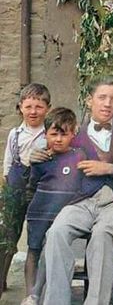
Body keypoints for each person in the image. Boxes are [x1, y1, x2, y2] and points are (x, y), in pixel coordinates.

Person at [39, 77, 113, 305]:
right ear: (90, 100)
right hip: (80, 202)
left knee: (102, 235)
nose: (107, 104)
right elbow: (51, 157)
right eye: (102, 97)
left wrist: (110, 168)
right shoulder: (73, 134)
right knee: (56, 232)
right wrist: (36, 156)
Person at [24, 108, 94, 299]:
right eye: (53, 134)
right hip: (40, 212)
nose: (58, 139)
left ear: (73, 134)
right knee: (34, 250)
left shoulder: (79, 156)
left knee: (50, 250)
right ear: (45, 134)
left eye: (64, 134)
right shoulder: (41, 159)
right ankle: (30, 295)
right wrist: (30, 212)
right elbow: (31, 188)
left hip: (64, 215)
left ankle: (38, 294)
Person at [1, 83, 50, 293]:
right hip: (16, 188)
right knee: (8, 235)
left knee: (38, 236)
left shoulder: (50, 133)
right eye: (28, 106)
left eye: (39, 107)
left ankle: (37, 286)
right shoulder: (15, 134)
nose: (33, 111)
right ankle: (1, 279)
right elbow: (8, 165)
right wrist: (7, 192)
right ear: (20, 107)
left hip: (41, 189)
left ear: (47, 108)